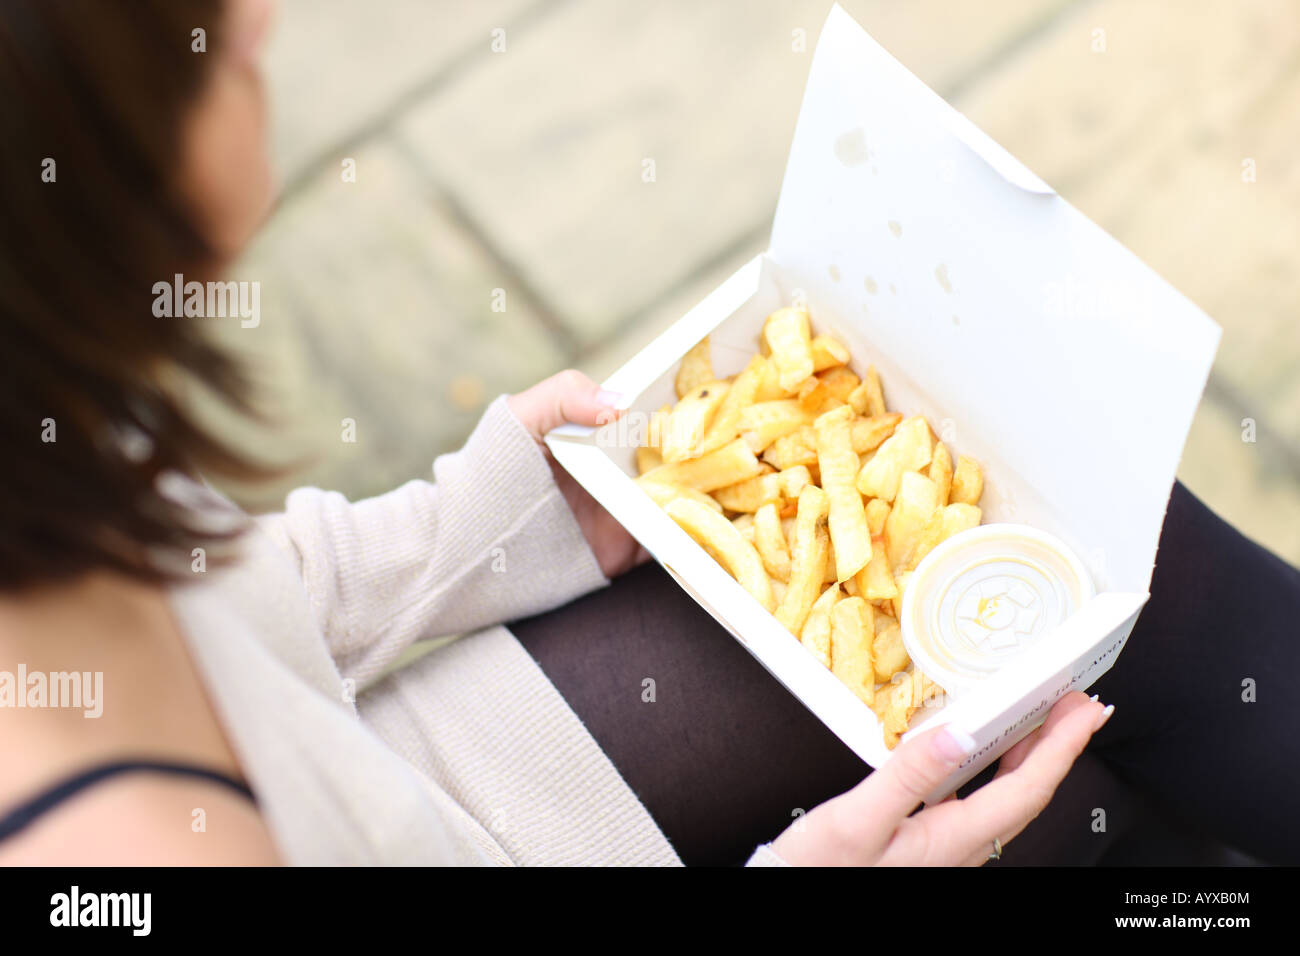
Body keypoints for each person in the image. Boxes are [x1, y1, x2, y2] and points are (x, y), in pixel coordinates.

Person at [1, 0, 1291, 867]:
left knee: (1094, 594)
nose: (266, 22)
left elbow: (239, 602)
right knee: (1032, 791)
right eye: (216, 52)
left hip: (430, 778)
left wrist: (476, 520)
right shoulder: (103, 850)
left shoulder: (40, 415)